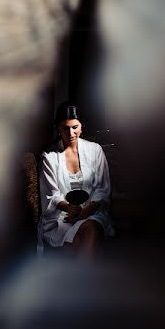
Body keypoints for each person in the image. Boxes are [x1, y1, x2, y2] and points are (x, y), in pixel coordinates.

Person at [38, 102, 114, 257]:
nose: (71, 133)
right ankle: (84, 278)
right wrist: (69, 208)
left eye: (75, 127)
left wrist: (85, 211)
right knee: (81, 241)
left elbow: (102, 188)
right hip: (62, 217)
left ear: (81, 126)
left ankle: (79, 278)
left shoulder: (95, 150)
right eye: (65, 128)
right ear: (58, 129)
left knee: (91, 228)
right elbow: (51, 195)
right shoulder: (50, 157)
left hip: (92, 212)